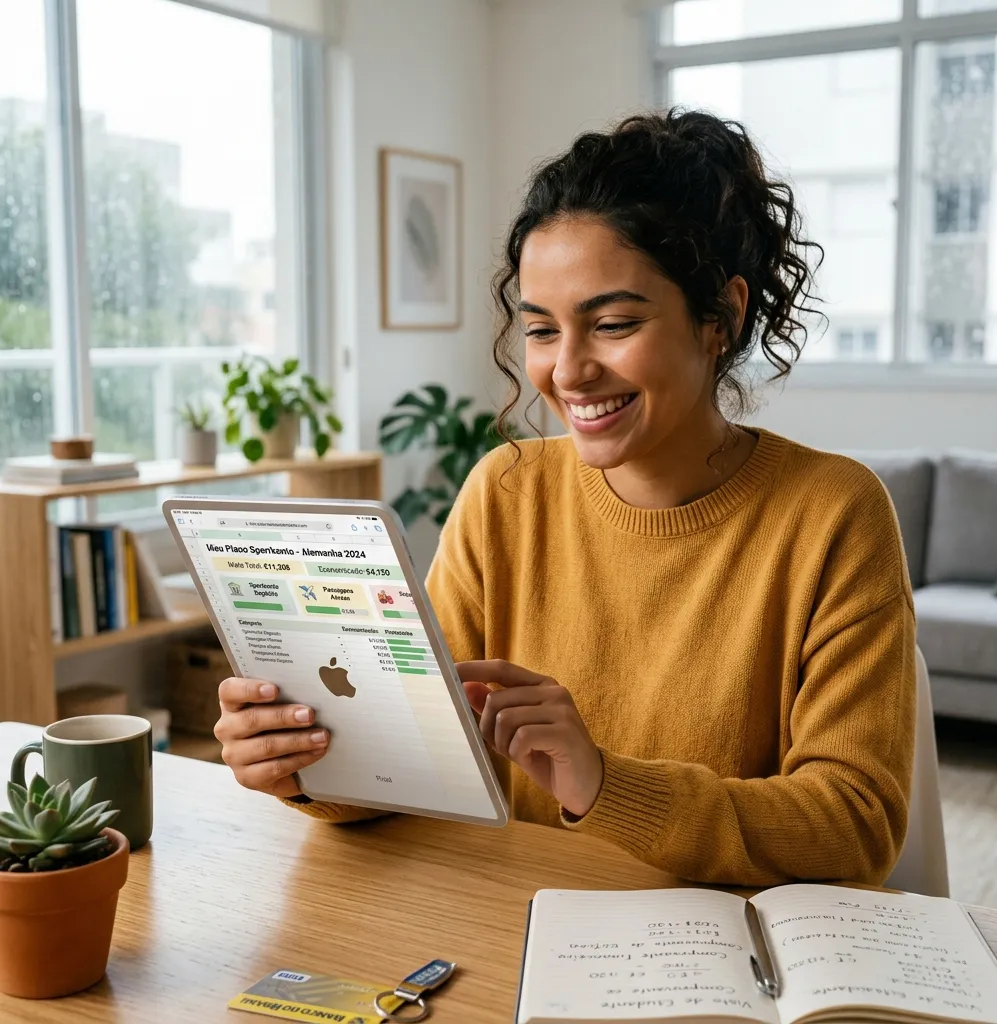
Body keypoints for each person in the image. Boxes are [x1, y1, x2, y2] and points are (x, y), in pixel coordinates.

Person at [214, 109, 916, 887]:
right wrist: (304, 761)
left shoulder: (834, 513)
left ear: (722, 315)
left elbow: (856, 823)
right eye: (542, 330)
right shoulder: (506, 491)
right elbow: (420, 762)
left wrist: (609, 786)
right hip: (519, 919)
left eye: (612, 323)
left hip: (719, 938)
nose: (569, 371)